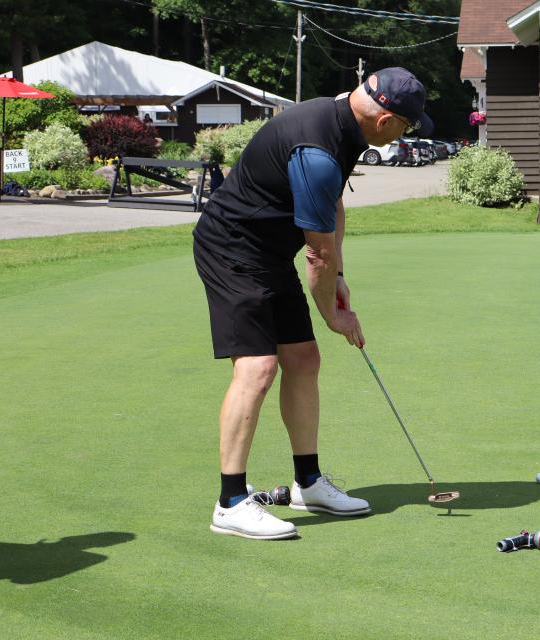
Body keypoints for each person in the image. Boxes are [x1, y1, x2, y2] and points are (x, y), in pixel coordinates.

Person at [192, 67, 433, 540]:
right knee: (259, 367)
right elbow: (316, 253)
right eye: (406, 126)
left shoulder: (342, 122)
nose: (404, 134)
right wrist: (335, 314)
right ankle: (231, 501)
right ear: (385, 121)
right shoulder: (317, 149)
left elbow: (332, 211)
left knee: (303, 358)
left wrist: (340, 276)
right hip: (231, 249)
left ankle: (308, 483)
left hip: (267, 251)